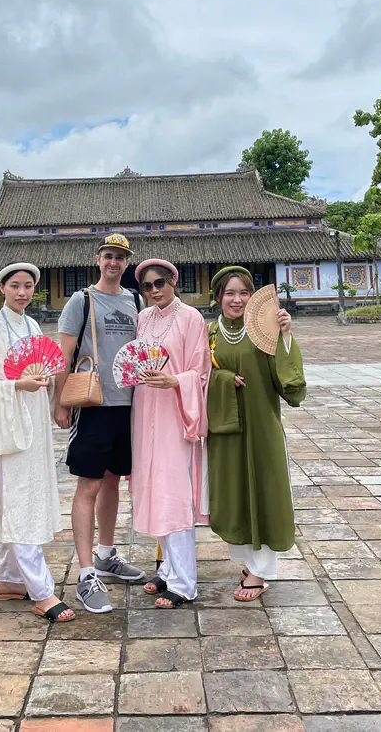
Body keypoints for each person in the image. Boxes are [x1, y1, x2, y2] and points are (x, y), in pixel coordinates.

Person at [0, 262, 75, 624]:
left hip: (34, 423)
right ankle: (41, 590)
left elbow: (43, 366)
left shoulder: (33, 325)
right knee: (18, 499)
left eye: (28, 286)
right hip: (12, 423)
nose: (22, 292)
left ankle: (10, 579)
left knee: (26, 494)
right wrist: (18, 384)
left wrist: (46, 380)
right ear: (2, 287)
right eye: (15, 286)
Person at [55, 233, 146, 613]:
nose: (114, 263)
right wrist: (60, 404)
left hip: (128, 404)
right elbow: (62, 354)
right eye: (108, 256)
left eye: (120, 258)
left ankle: (107, 554)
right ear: (98, 260)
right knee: (88, 484)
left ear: (126, 264)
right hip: (93, 403)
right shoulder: (82, 300)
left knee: (113, 481)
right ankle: (86, 572)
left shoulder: (135, 300)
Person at [206, 267, 306, 601]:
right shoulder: (209, 334)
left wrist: (286, 336)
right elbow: (200, 375)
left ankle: (262, 571)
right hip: (226, 428)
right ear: (218, 296)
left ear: (253, 297)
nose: (236, 300)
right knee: (234, 492)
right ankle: (249, 563)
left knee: (265, 490)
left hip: (261, 423)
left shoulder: (263, 330)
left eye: (243, 293)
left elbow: (286, 380)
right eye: (229, 293)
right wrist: (222, 380)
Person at [130, 259, 210, 608]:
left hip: (175, 413)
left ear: (174, 281)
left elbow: (201, 370)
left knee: (174, 492)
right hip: (145, 409)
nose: (154, 290)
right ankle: (166, 570)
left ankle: (184, 582)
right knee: (153, 487)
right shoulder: (143, 318)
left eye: (160, 283)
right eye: (147, 286)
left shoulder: (191, 318)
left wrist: (175, 380)